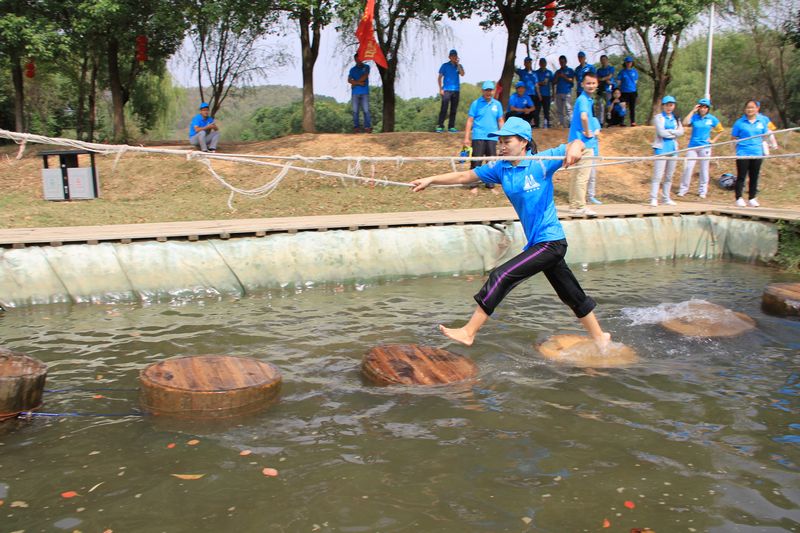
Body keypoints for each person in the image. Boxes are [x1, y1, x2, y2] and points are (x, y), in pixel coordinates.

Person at [409, 117, 611, 348]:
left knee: (501, 275)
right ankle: (600, 336)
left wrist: (575, 147)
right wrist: (431, 180)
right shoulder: (501, 168)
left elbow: (577, 143)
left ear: (523, 142)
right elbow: (466, 176)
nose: (502, 146)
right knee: (570, 293)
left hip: (551, 242)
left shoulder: (541, 162)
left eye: (507, 141)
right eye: (500, 142)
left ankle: (468, 332)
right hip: (537, 243)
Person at [730, 100, 778, 207]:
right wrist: (735, 150)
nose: (750, 109)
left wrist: (768, 146)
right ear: (745, 109)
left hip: (757, 152)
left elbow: (765, 135)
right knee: (741, 176)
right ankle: (739, 198)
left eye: (752, 107)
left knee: (754, 176)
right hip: (743, 152)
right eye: (748, 107)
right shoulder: (739, 122)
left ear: (757, 109)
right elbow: (733, 137)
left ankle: (752, 198)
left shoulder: (762, 122)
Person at [677, 98, 724, 199]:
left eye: (705, 107)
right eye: (701, 107)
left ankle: (702, 191)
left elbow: (721, 130)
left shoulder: (711, 119)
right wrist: (692, 111)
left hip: (705, 147)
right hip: (693, 146)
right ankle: (683, 189)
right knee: (688, 167)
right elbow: (685, 123)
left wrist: (713, 140)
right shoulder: (694, 117)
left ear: (708, 109)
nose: (703, 109)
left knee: (704, 169)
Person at [464, 81, 505, 195]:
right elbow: (470, 120)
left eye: (490, 90)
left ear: (493, 91)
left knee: (492, 163)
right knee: (476, 162)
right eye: (486, 90)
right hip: (478, 136)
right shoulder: (476, 103)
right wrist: (466, 137)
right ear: (482, 91)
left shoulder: (497, 104)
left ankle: (490, 185)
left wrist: (503, 136)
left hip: (492, 137)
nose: (488, 92)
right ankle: (473, 185)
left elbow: (500, 120)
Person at [567, 72, 599, 215]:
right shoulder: (584, 99)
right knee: (582, 176)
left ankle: (574, 205)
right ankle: (580, 206)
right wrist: (587, 132)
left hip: (575, 142)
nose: (591, 86)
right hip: (584, 143)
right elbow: (584, 117)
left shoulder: (584, 99)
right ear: (582, 84)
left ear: (597, 84)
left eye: (593, 83)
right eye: (588, 83)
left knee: (576, 175)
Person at [650, 95, 684, 207]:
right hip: (661, 149)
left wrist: (670, 132)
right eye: (667, 105)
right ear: (663, 106)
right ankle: (653, 198)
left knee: (669, 176)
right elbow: (661, 133)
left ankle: (666, 198)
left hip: (673, 149)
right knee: (658, 175)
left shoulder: (676, 118)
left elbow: (681, 132)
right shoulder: (658, 117)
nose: (669, 107)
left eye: (671, 105)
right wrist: (674, 132)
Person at [437, 49, 465, 133]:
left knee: (453, 109)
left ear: (457, 57)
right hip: (446, 90)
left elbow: (462, 74)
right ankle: (440, 126)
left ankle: (451, 127)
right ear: (449, 57)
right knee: (444, 108)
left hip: (456, 90)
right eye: (452, 56)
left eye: (455, 56)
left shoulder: (459, 66)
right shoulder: (445, 66)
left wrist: (458, 64)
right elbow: (439, 77)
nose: (454, 57)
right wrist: (440, 89)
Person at [348, 53, 371, 133]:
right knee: (355, 111)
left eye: (359, 59)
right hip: (355, 93)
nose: (358, 60)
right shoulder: (352, 69)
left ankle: (367, 127)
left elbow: (365, 76)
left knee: (366, 110)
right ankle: (356, 128)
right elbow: (349, 80)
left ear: (362, 58)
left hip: (364, 92)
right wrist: (359, 83)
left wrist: (355, 83)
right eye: (356, 59)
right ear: (355, 60)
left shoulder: (366, 67)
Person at [615, 56, 639, 126]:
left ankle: (633, 121)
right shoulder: (622, 72)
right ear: (625, 63)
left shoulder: (634, 72)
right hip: (624, 91)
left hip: (632, 91)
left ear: (632, 63)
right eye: (627, 62)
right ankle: (621, 121)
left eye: (630, 62)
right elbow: (618, 81)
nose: (628, 63)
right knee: (623, 107)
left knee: (632, 107)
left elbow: (636, 81)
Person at [553, 55, 575, 128]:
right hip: (558, 92)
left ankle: (571, 125)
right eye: (560, 62)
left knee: (568, 109)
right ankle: (562, 125)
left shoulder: (570, 70)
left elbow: (572, 81)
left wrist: (564, 76)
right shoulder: (557, 72)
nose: (562, 63)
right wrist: (558, 76)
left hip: (567, 92)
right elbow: (554, 82)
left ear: (566, 62)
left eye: (563, 62)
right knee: (560, 111)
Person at [587, 116, 603, 205]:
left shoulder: (594, 120)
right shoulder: (581, 120)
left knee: (592, 176)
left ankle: (591, 196)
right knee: (582, 176)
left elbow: (597, 132)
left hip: (593, 151)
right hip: (584, 151)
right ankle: (579, 197)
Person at [595, 55, 615, 124]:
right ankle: (600, 122)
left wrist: (602, 79)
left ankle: (609, 122)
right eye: (602, 60)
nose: (603, 61)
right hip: (600, 89)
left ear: (607, 60)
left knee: (608, 105)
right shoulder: (599, 70)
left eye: (604, 59)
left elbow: (610, 76)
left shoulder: (611, 68)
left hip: (608, 89)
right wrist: (603, 79)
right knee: (600, 105)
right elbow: (597, 78)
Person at [535, 58, 554, 128]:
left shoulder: (549, 72)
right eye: (541, 63)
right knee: (537, 111)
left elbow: (552, 83)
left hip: (547, 94)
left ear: (546, 64)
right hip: (538, 95)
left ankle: (547, 125)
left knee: (546, 111)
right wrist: (541, 83)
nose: (543, 64)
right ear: (539, 64)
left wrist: (553, 93)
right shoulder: (536, 72)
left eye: (544, 63)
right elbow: (535, 83)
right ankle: (537, 125)